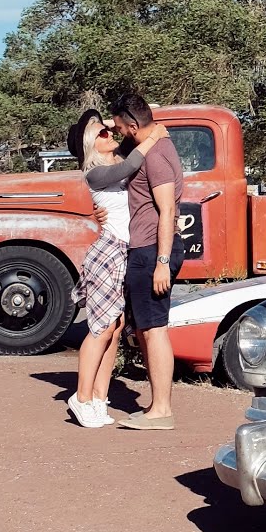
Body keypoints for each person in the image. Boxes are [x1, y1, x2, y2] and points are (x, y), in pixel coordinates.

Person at [64, 108, 165, 429]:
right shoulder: (95, 173)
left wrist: (103, 124)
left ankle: (99, 396)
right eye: (102, 134)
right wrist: (154, 139)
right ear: (90, 145)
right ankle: (81, 397)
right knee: (101, 328)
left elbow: (138, 128)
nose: (110, 134)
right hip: (107, 253)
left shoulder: (115, 162)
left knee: (116, 327)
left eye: (110, 130)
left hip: (123, 252)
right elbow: (132, 163)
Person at [108, 93, 184, 430]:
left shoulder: (155, 156)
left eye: (120, 127)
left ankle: (162, 411)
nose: (118, 133)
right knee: (146, 329)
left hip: (154, 249)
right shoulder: (150, 145)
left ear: (133, 125)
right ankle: (156, 407)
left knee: (154, 330)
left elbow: (167, 210)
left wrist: (162, 262)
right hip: (146, 249)